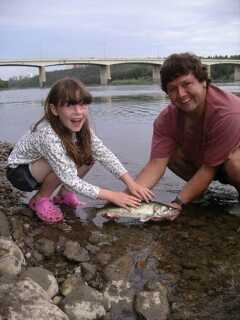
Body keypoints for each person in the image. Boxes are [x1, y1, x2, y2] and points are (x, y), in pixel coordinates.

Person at [6, 77, 153, 223]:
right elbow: (69, 177)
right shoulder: (47, 134)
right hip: (21, 173)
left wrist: (131, 183)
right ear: (54, 109)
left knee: (89, 154)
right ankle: (40, 199)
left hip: (43, 169)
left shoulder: (82, 128)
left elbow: (104, 154)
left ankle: (64, 194)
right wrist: (112, 195)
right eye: (70, 106)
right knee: (63, 160)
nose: (78, 112)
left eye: (83, 105)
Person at [135, 52, 240, 220]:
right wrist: (123, 201)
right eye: (173, 89)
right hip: (210, 162)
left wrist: (178, 202)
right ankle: (199, 192)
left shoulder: (228, 113)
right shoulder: (165, 120)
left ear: (203, 82)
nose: (181, 94)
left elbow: (208, 169)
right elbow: (155, 165)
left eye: (186, 84)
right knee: (171, 153)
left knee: (236, 162)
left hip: (227, 163)